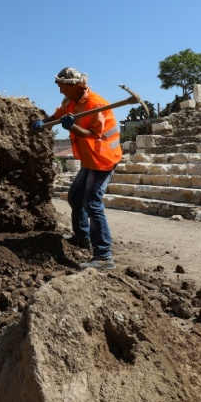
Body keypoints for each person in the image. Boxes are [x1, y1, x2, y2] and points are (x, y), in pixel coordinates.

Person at [31, 67, 122, 270]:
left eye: (61, 85)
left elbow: (93, 135)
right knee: (74, 197)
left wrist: (71, 127)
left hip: (103, 159)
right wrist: (42, 123)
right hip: (90, 159)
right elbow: (56, 117)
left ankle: (104, 256)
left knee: (92, 203)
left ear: (72, 85)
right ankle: (82, 237)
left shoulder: (96, 104)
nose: (59, 89)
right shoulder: (70, 102)